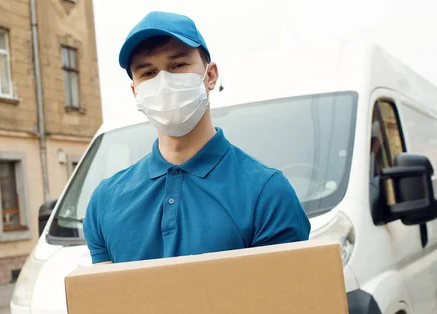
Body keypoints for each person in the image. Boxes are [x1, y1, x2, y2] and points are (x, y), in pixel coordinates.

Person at [83, 11, 311, 264]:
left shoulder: (266, 193)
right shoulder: (105, 201)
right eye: (147, 73)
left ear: (210, 75)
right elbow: (105, 299)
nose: (164, 82)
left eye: (178, 65)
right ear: (135, 91)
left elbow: (286, 298)